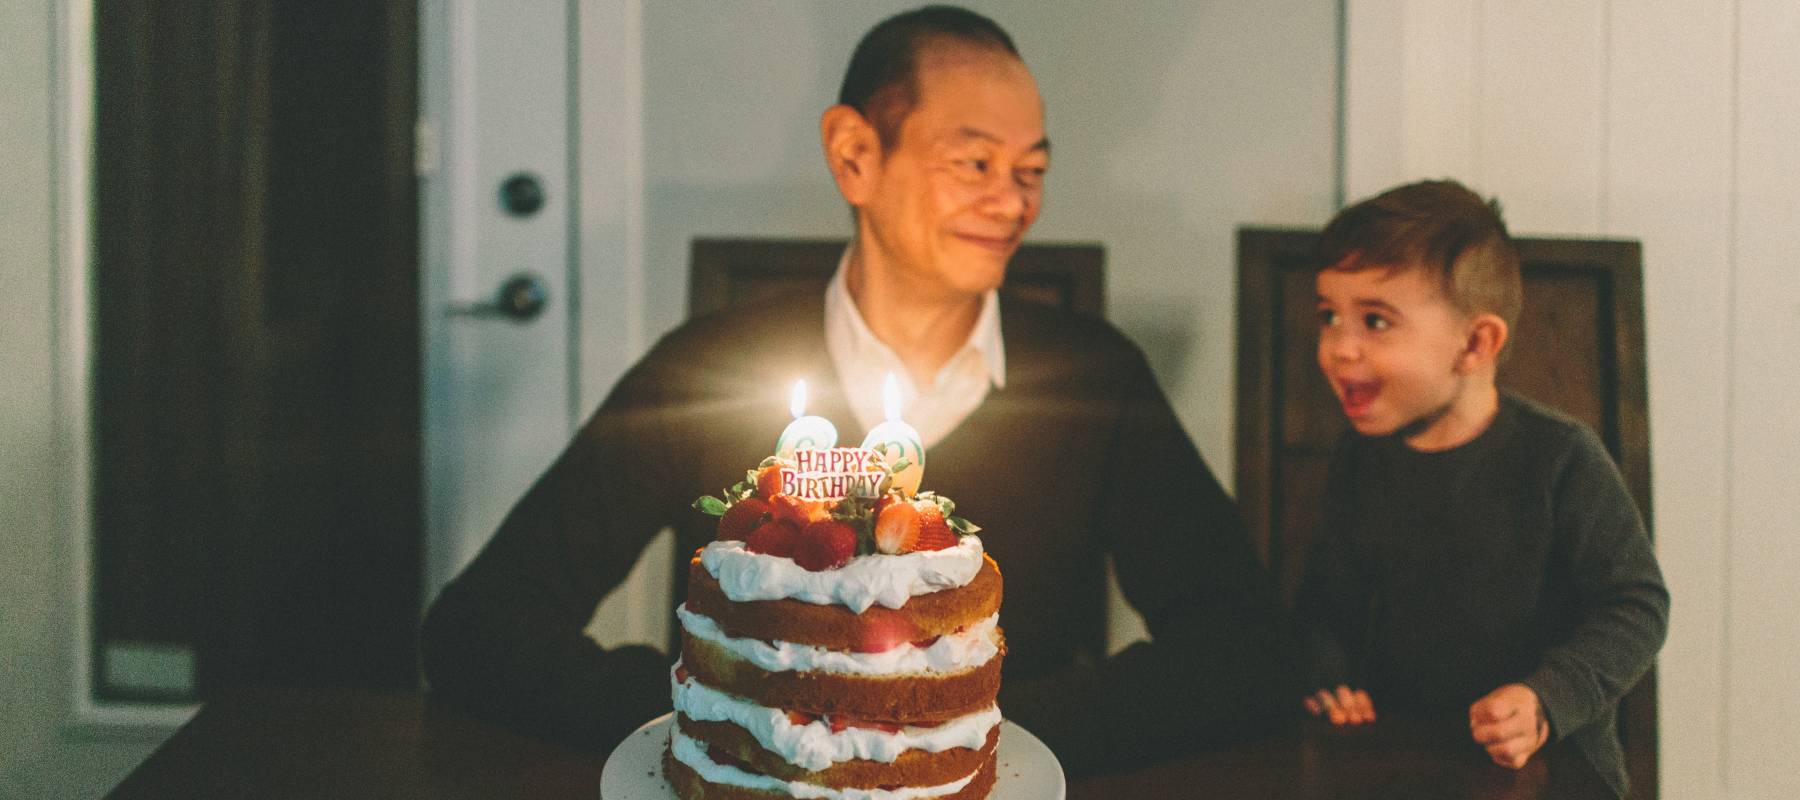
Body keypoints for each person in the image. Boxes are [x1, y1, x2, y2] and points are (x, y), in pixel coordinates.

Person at [421, 5, 1296, 776]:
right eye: (974, 163)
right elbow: (478, 632)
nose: (1013, 202)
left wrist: (961, 730)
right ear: (853, 156)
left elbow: (1248, 652)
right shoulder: (706, 372)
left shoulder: (1094, 380)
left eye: (1030, 170)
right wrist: (729, 717)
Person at [1297, 179, 1669, 796]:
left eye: (1375, 321)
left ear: (1475, 343)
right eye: (1328, 316)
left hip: (1549, 766)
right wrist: (1330, 675)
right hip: (1407, 757)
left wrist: (1547, 699)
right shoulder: (1361, 460)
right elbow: (1324, 602)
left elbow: (1636, 606)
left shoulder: (1559, 457)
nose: (1340, 347)